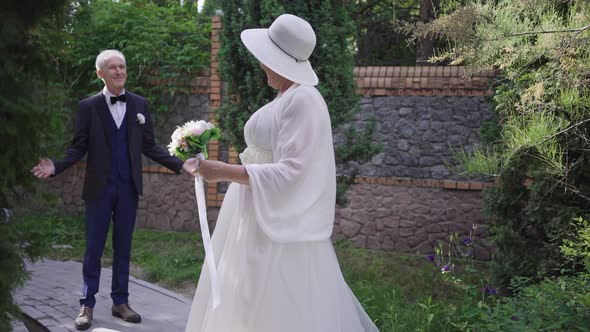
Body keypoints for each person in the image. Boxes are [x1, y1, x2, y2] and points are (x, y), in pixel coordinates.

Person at [184, 14, 379, 332]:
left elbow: (295, 171)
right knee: (244, 300)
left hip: (277, 226)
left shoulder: (304, 99)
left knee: (276, 303)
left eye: (266, 58)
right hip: (253, 215)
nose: (261, 64)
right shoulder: (285, 97)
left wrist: (224, 171)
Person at [31, 50, 196, 331]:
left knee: (123, 248)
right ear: (100, 73)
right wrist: (56, 166)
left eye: (122, 67)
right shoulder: (88, 107)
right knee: (94, 248)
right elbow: (78, 147)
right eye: (112, 68)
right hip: (98, 188)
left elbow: (149, 146)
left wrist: (181, 165)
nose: (119, 71)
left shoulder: (140, 104)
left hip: (128, 188)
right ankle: (87, 304)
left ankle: (121, 302)